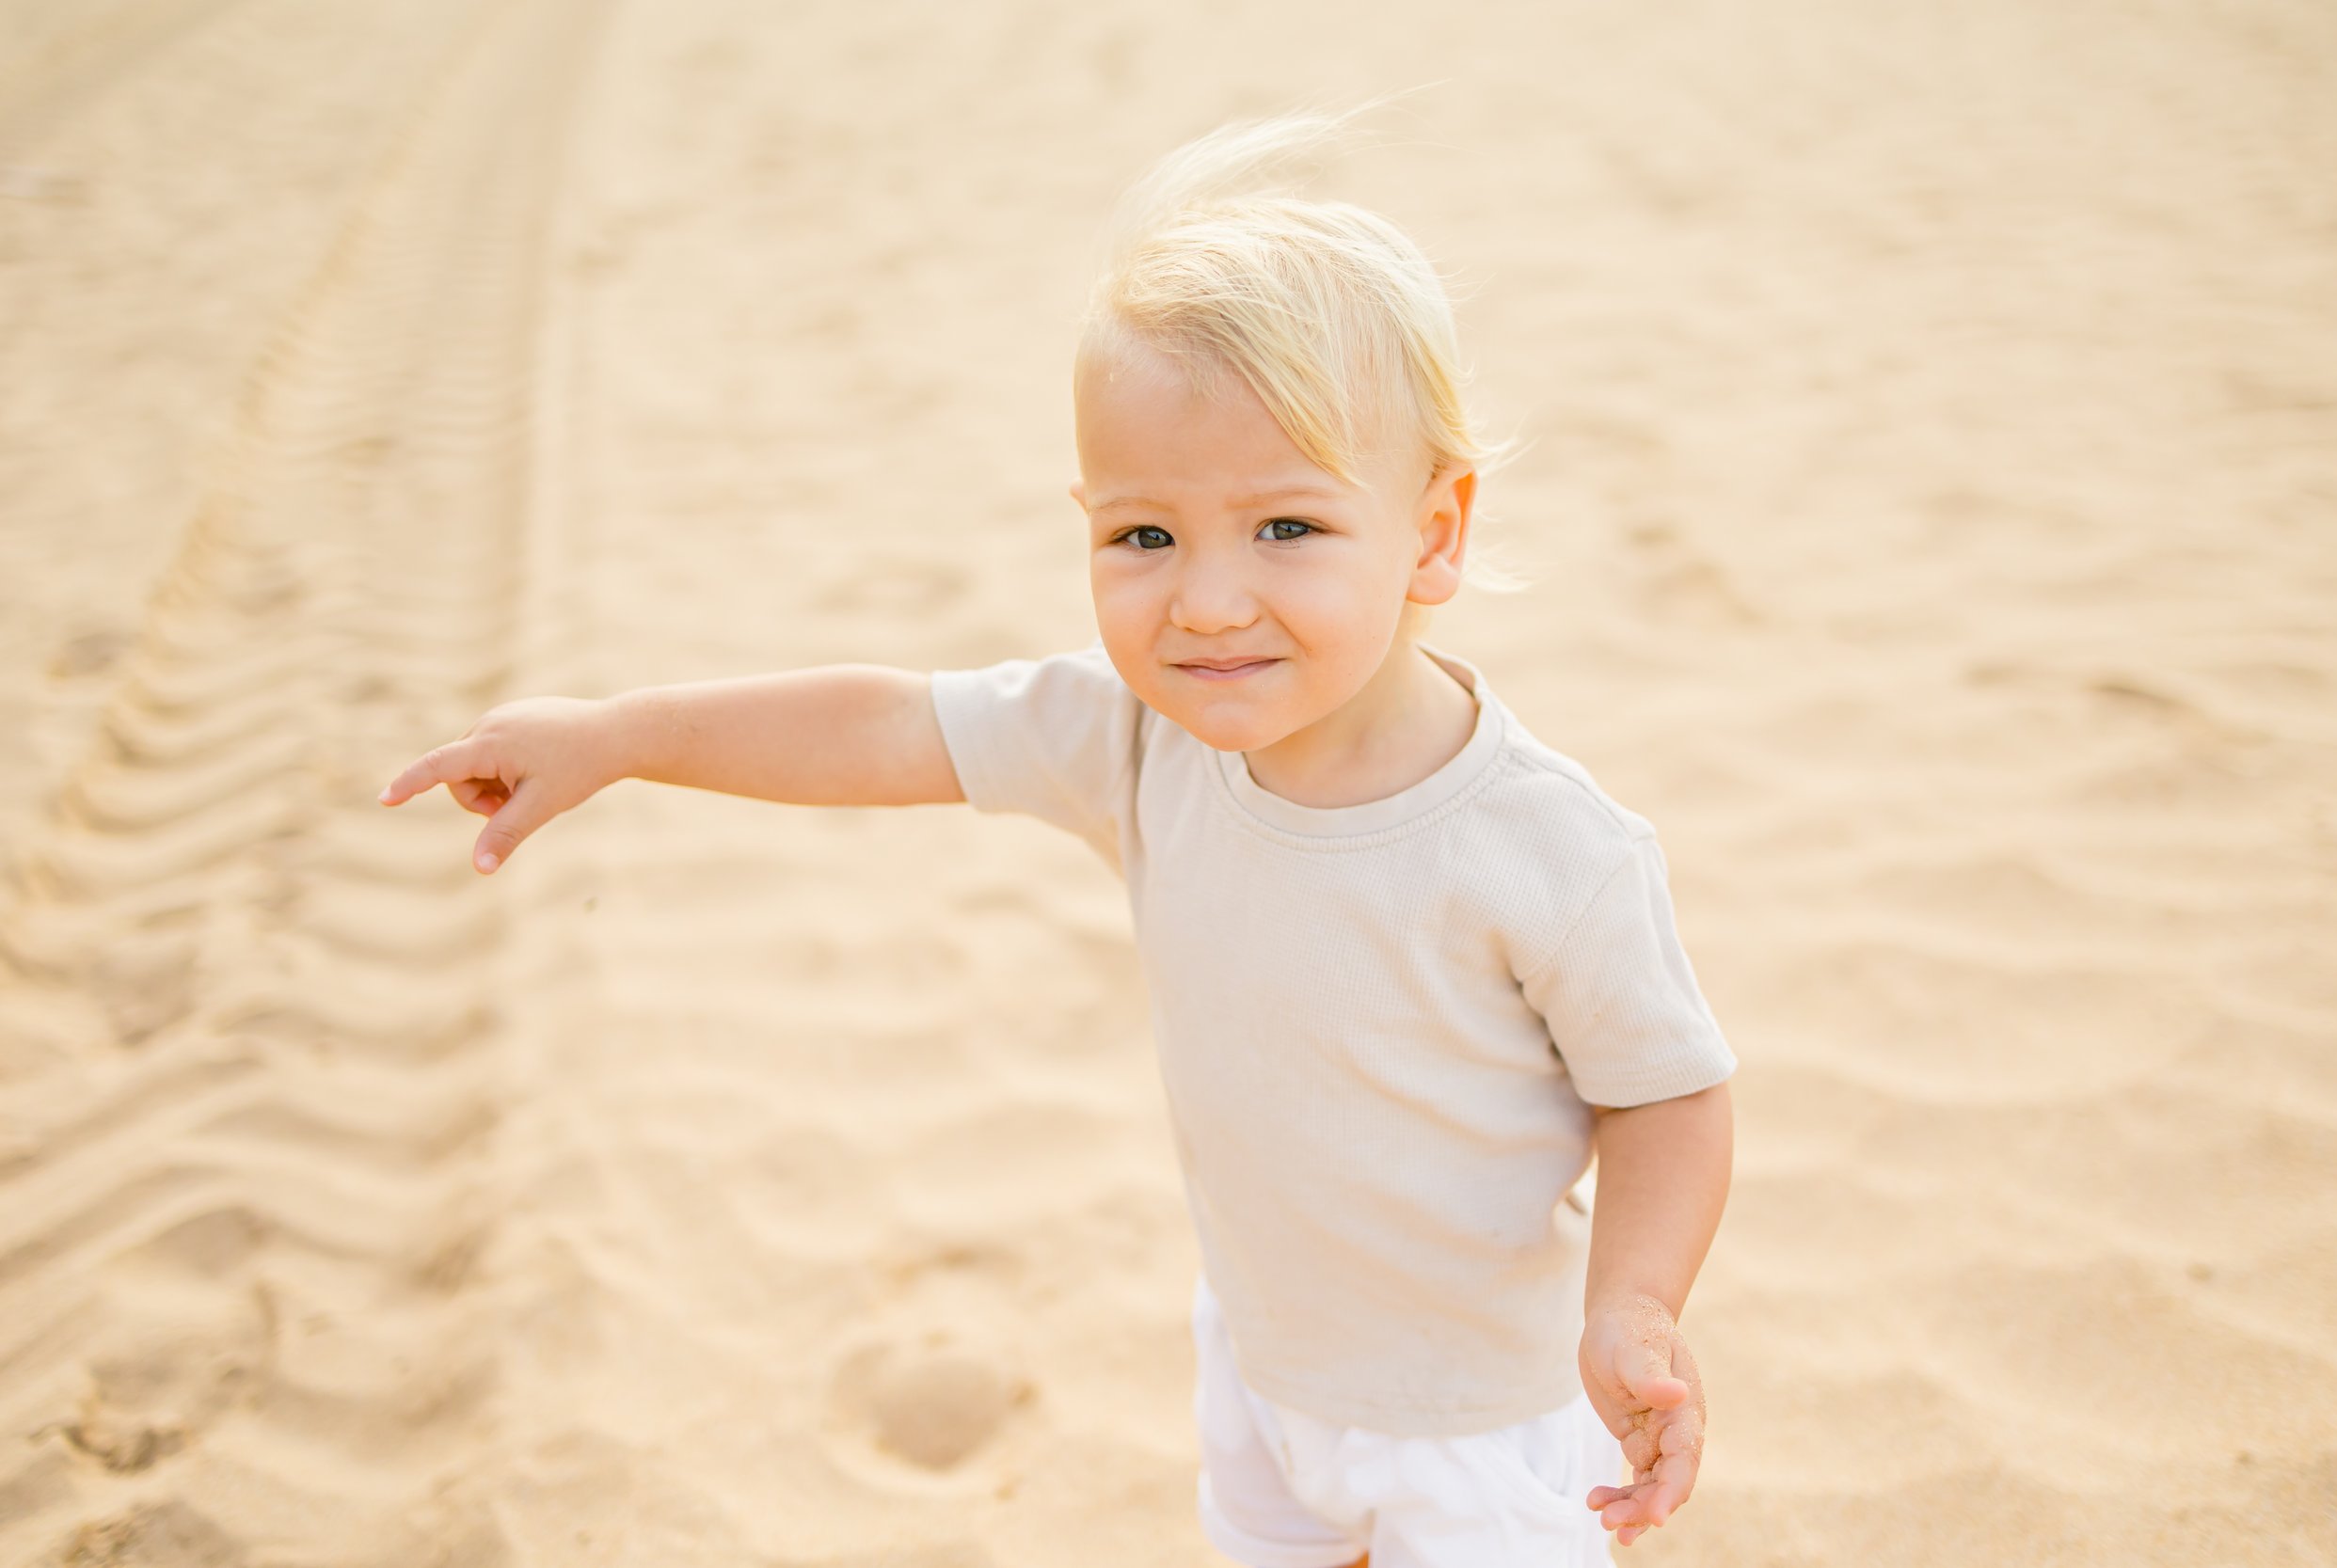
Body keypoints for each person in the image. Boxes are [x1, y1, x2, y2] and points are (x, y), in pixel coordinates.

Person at [380, 106, 1736, 1568]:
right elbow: (888, 728)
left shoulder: (1547, 849)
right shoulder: (1136, 739)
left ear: (1436, 534)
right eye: (1142, 537)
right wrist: (623, 737)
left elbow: (1668, 1094)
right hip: (1266, 1353)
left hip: (1484, 1409)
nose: (1206, 599)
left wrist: (1635, 1301)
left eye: (1286, 527)